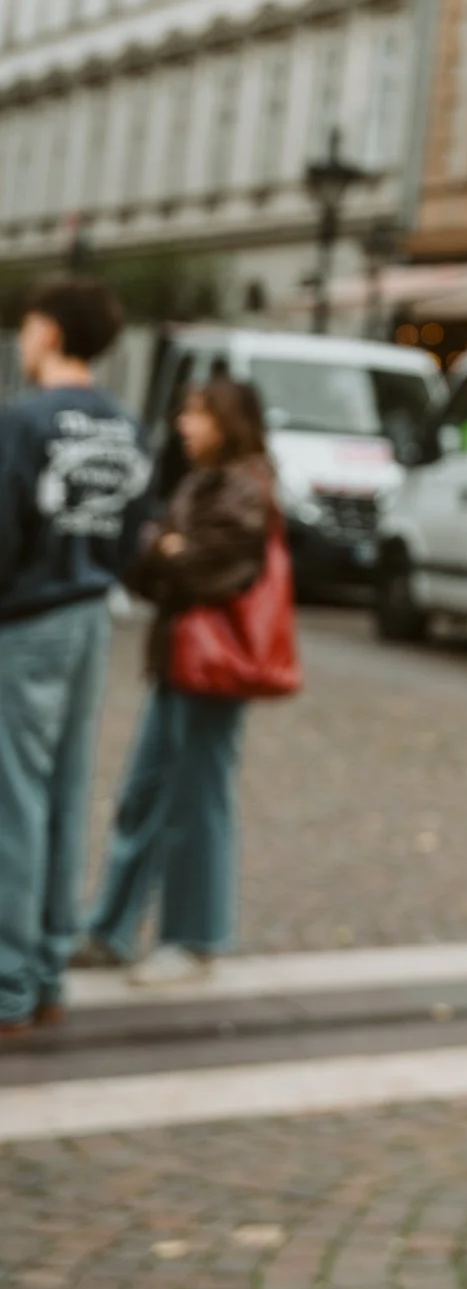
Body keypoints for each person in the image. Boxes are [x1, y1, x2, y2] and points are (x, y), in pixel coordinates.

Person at [78, 375, 278, 984]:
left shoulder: (244, 487)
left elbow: (208, 568)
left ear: (226, 421)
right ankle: (111, 928)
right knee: (144, 793)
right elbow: (152, 565)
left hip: (213, 666)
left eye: (196, 414)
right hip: (179, 662)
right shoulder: (206, 481)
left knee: (197, 801)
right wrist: (165, 551)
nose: (183, 425)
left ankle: (194, 939)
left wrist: (167, 550)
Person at [0, 278, 152, 1040]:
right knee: (65, 786)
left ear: (52, 332)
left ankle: (7, 978)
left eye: (27, 327)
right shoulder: (126, 425)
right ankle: (49, 967)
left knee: (13, 799)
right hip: (92, 612)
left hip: (27, 617)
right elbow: (134, 537)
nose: (22, 341)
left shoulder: (23, 422)